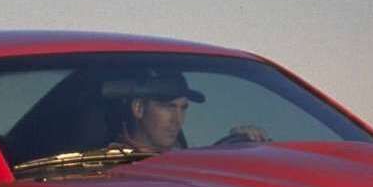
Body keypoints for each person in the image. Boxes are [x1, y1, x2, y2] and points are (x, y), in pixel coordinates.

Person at [106, 72, 269, 153]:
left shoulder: (184, 160)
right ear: (139, 108)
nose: (177, 120)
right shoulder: (109, 166)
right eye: (168, 107)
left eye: (183, 108)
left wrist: (242, 145)